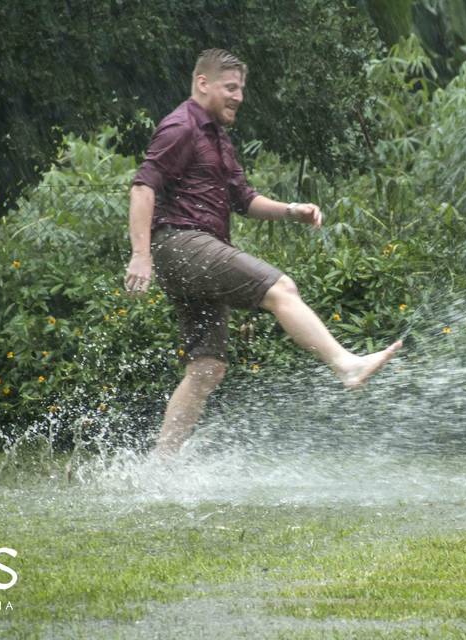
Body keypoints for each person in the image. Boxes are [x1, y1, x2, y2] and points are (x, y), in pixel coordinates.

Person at [123, 49, 402, 456]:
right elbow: (142, 187)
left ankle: (159, 468)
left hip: (194, 251)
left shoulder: (218, 138)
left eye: (241, 89)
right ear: (203, 83)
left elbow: (244, 199)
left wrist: (291, 211)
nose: (238, 97)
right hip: (182, 243)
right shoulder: (180, 127)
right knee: (281, 289)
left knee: (206, 369)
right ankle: (346, 365)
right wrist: (140, 254)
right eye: (230, 88)